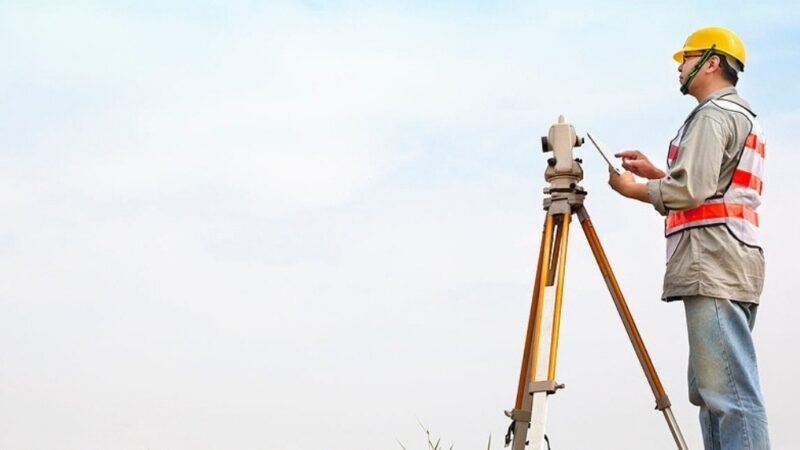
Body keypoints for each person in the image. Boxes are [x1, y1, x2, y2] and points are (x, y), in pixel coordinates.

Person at [607, 26, 770, 450]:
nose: (679, 67)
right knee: (712, 393)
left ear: (711, 62)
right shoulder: (737, 115)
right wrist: (659, 176)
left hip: (713, 260)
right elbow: (709, 187)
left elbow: (690, 191)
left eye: (686, 58)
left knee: (730, 396)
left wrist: (635, 190)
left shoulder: (714, 116)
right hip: (728, 257)